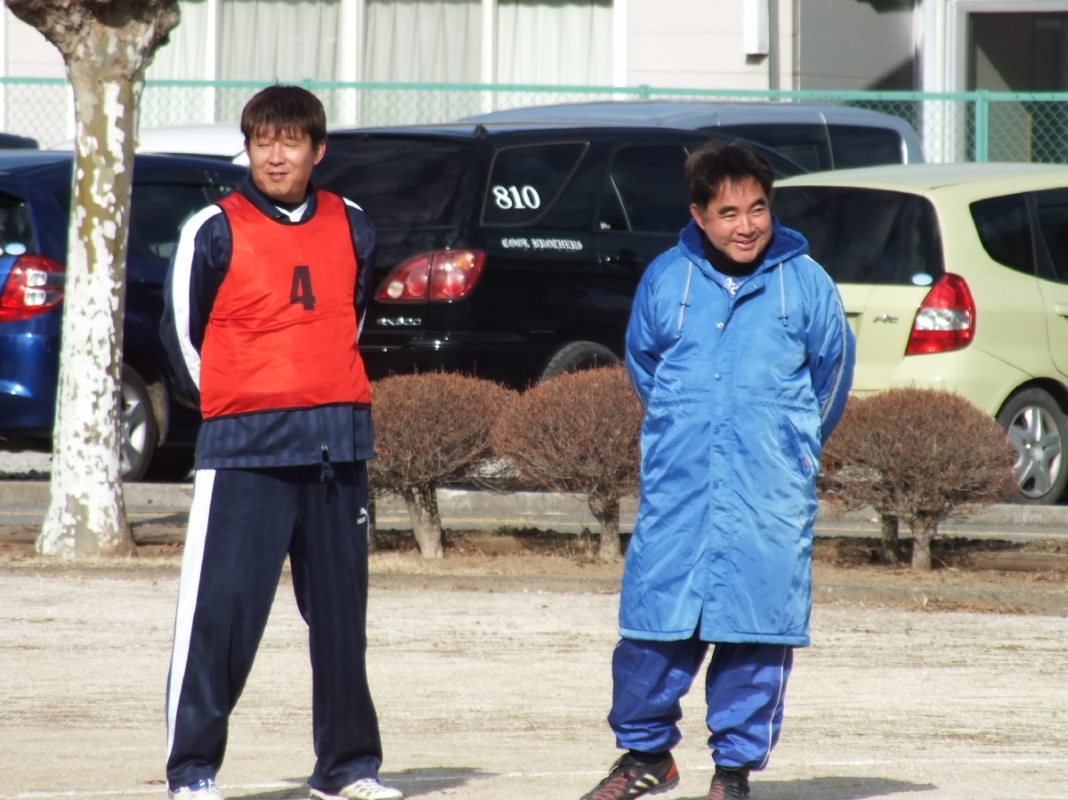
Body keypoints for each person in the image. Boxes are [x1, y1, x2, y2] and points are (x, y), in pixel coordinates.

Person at [580, 140, 855, 800]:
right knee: (654, 625)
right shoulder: (666, 279)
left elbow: (830, 380)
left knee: (755, 629)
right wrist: (687, 434)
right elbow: (645, 369)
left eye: (757, 208)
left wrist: (789, 449)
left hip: (769, 491)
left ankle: (733, 772)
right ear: (698, 215)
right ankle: (646, 757)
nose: (746, 225)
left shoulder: (806, 283)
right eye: (728, 212)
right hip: (681, 488)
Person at [159, 85, 402, 800]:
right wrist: (244, 403)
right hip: (246, 452)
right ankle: (192, 771)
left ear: (317, 150)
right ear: (247, 149)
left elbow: (350, 320)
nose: (275, 155)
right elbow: (182, 338)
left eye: (290, 141)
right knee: (221, 619)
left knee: (341, 623)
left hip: (337, 449)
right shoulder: (213, 229)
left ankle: (349, 768)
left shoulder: (354, 224)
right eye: (262, 141)